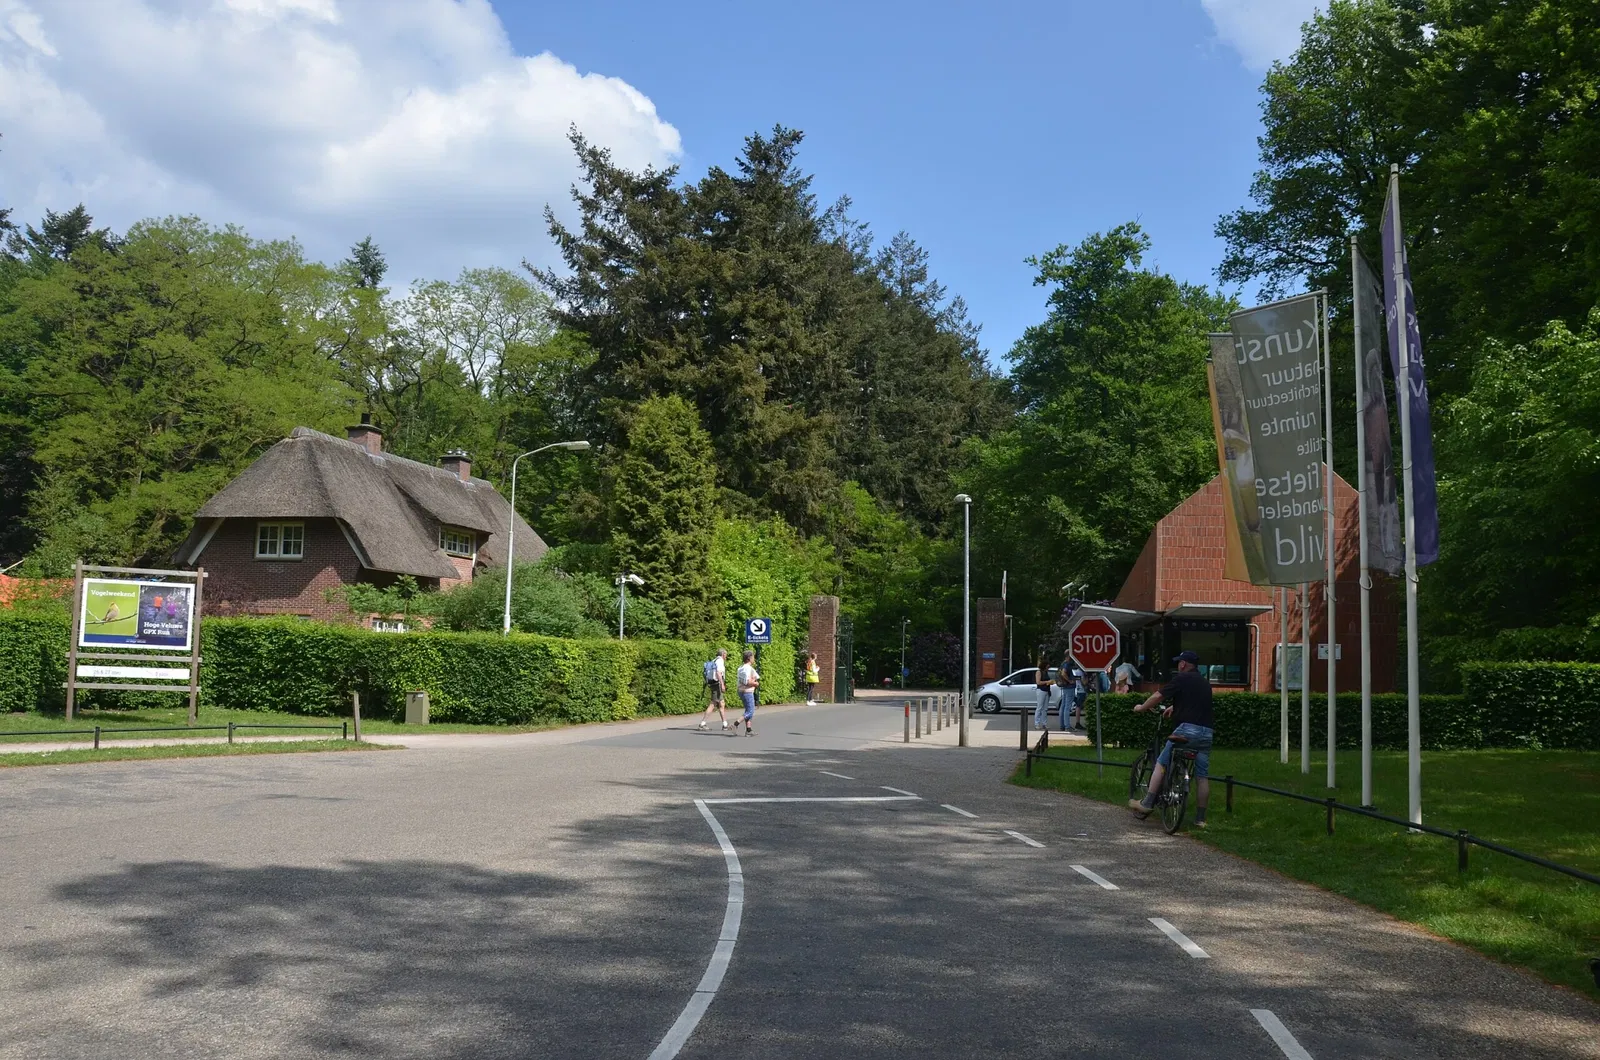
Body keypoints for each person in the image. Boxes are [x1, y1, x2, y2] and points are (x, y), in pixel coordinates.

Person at [1128, 650, 1215, 828]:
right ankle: (1200, 819)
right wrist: (1174, 707)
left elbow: (1158, 695)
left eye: (1179, 663)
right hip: (1206, 733)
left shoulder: (1181, 679)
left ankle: (1147, 803)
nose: (1178, 665)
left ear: (1183, 664)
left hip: (1186, 730)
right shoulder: (1205, 683)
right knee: (1202, 776)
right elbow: (1195, 702)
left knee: (1162, 762)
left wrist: (1141, 707)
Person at [699, 649, 730, 731]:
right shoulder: (720, 661)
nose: (726, 656)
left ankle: (725, 724)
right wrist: (722, 684)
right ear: (723, 654)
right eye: (726, 654)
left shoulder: (714, 660)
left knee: (721, 703)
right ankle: (703, 723)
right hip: (717, 684)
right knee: (713, 703)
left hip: (713, 683)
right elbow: (718, 673)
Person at [736, 650, 761, 736]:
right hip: (748, 692)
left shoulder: (740, 668)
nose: (754, 659)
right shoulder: (748, 669)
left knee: (747, 710)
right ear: (749, 658)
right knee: (750, 711)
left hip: (740, 691)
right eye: (753, 657)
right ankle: (736, 723)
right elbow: (747, 682)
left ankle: (749, 730)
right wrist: (755, 683)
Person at [1031, 655, 1053, 731]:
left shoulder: (1046, 672)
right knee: (1039, 707)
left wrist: (1050, 683)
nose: (1048, 667)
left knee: (1045, 708)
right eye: (1047, 666)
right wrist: (1047, 682)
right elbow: (1038, 682)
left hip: (1047, 690)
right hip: (1041, 690)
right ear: (1044, 665)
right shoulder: (1039, 672)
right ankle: (1036, 723)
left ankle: (1044, 723)